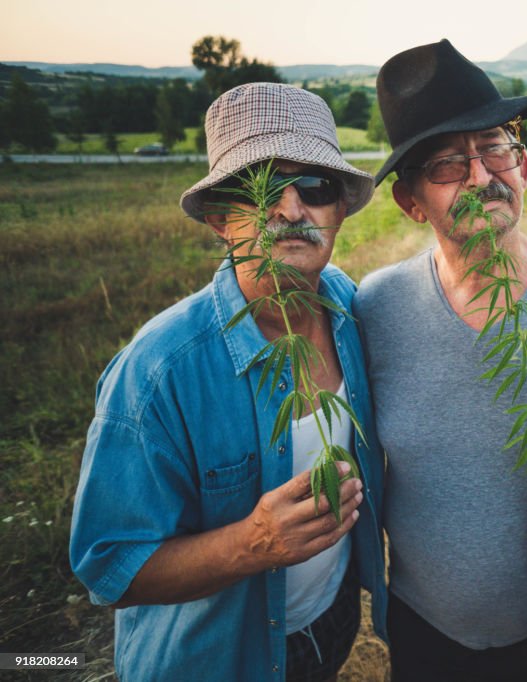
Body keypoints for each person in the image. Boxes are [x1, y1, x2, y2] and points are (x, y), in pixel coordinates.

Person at [70, 82, 387, 682]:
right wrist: (254, 542)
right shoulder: (157, 371)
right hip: (219, 660)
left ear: (340, 207)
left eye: (315, 187)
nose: (292, 210)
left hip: (332, 621)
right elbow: (108, 566)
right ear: (220, 217)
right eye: (259, 189)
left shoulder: (352, 309)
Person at [354, 40, 527, 681]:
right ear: (411, 202)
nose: (481, 176)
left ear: (524, 164)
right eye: (448, 164)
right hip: (426, 631)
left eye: (493, 148)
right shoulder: (375, 310)